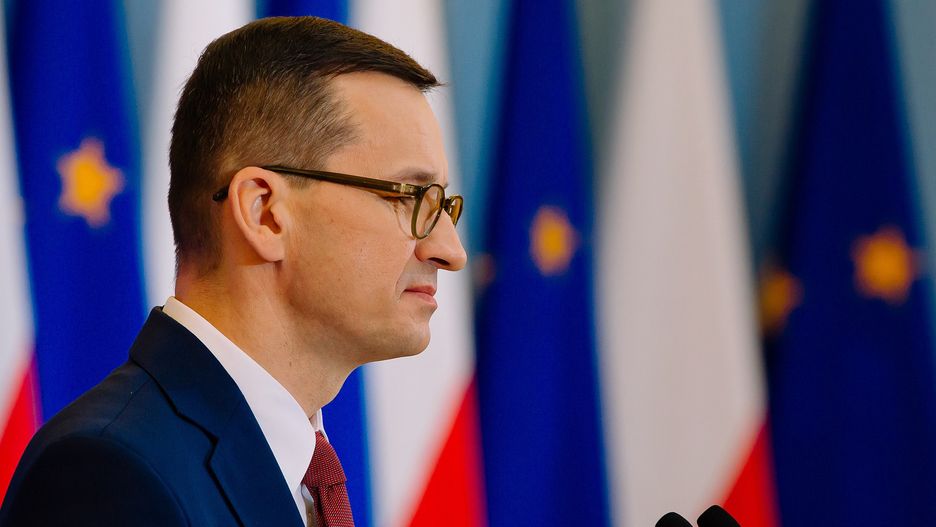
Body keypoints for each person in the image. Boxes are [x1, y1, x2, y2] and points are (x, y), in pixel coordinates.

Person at [0, 16, 466, 527]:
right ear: (264, 213)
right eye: (411, 197)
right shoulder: (110, 474)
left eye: (444, 205)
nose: (451, 250)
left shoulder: (298, 471)